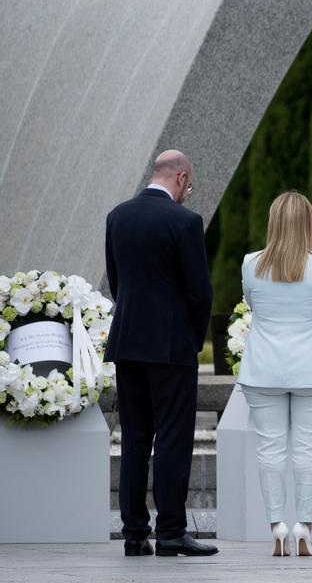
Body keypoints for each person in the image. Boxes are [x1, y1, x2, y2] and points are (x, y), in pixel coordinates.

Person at [104, 150, 217, 557]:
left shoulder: (118, 216)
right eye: (190, 184)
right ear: (181, 177)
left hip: (128, 342)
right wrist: (191, 338)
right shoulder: (185, 222)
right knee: (171, 437)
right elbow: (200, 291)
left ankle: (134, 531)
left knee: (134, 437)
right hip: (170, 347)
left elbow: (117, 282)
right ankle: (171, 530)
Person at [238, 192, 312, 557]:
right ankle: (304, 526)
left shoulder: (251, 264)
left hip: (264, 367)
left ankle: (276, 526)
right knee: (308, 449)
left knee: (270, 448)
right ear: (309, 224)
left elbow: (251, 303)